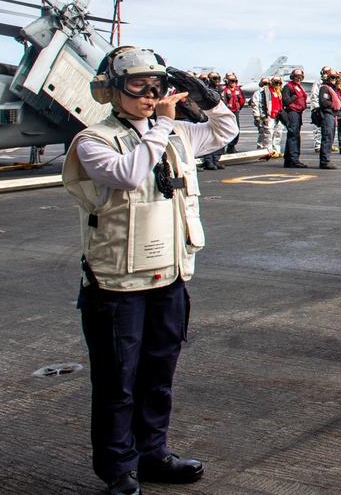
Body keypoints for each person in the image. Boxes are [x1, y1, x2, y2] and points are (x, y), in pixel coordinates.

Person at [62, 46, 239, 495]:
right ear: (111, 91)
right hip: (116, 284)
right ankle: (119, 468)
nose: (150, 94)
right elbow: (127, 173)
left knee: (158, 376)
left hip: (170, 275)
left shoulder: (175, 132)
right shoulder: (93, 141)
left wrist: (209, 97)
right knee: (117, 381)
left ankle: (153, 453)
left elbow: (225, 131)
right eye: (137, 86)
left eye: (155, 86)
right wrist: (159, 125)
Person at [282, 68, 309, 168]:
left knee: (293, 136)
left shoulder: (298, 87)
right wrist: (294, 97)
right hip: (292, 113)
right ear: (292, 77)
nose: (298, 79)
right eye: (297, 77)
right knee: (294, 136)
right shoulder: (288, 87)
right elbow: (285, 101)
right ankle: (294, 160)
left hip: (298, 113)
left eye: (300, 77)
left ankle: (288, 160)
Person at [199, 71, 224, 169]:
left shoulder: (219, 89)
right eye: (214, 78)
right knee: (209, 139)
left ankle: (216, 159)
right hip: (209, 116)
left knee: (219, 138)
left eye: (218, 78)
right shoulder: (207, 90)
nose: (217, 80)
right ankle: (209, 161)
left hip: (219, 116)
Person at [317, 69, 341, 169]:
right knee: (327, 137)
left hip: (331, 114)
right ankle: (324, 161)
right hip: (327, 114)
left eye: (335, 78)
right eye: (332, 77)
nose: (334, 80)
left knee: (330, 137)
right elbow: (324, 102)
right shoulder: (324, 88)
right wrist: (333, 105)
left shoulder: (331, 88)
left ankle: (326, 159)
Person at [221, 72, 245, 154]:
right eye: (231, 81)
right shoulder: (223, 90)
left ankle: (232, 146)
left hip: (235, 111)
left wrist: (238, 108)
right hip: (226, 113)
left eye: (235, 81)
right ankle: (222, 147)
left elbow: (242, 100)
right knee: (225, 129)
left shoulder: (238, 90)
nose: (233, 83)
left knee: (236, 129)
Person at [264, 76, 287, 158]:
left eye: (279, 83)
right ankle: (269, 151)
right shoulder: (268, 91)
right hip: (271, 115)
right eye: (276, 83)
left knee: (278, 133)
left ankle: (276, 150)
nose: (277, 84)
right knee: (269, 133)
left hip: (279, 115)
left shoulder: (280, 92)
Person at [250, 77, 271, 150]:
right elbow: (255, 104)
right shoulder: (258, 93)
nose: (266, 85)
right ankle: (260, 147)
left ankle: (267, 148)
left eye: (267, 84)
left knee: (269, 133)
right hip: (261, 116)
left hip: (269, 116)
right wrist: (257, 116)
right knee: (262, 133)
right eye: (264, 84)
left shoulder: (270, 92)